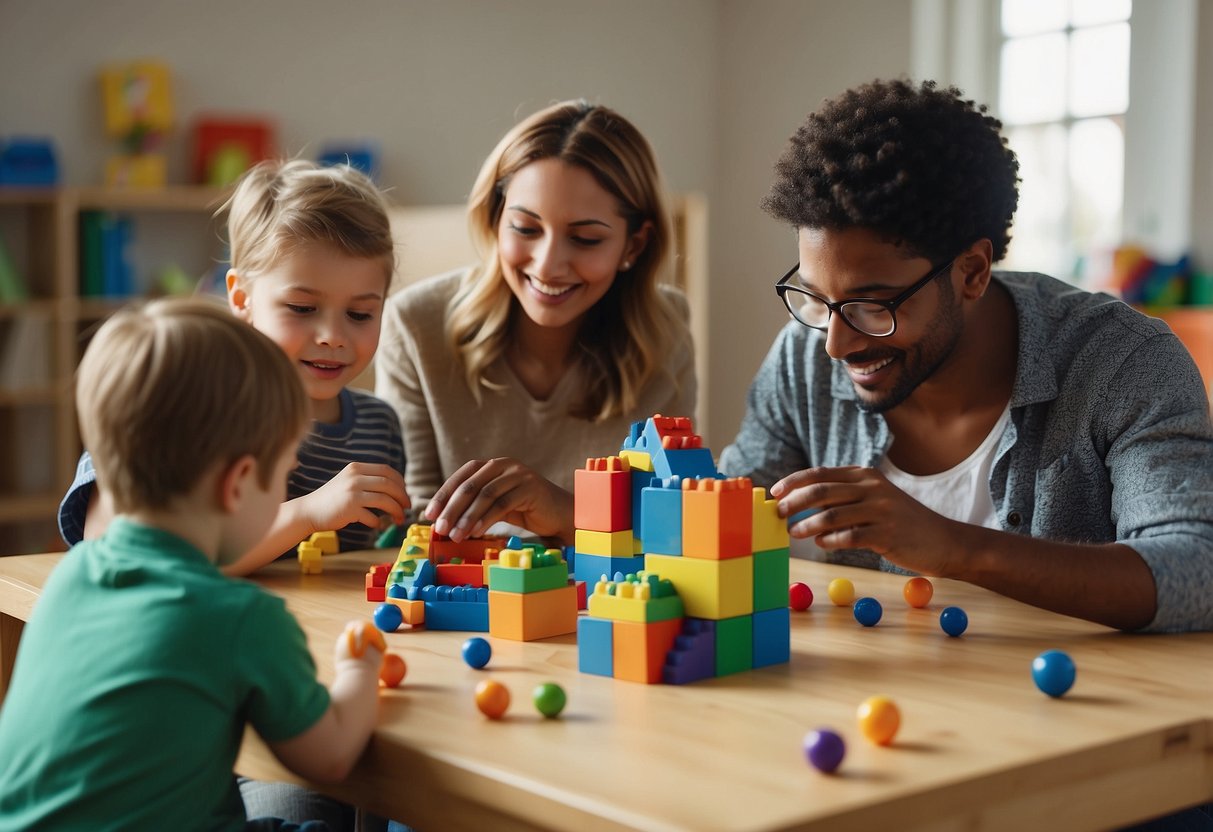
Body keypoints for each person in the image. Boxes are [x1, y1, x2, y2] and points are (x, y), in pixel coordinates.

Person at [717, 78, 1213, 635]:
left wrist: (952, 546)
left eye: (873, 306)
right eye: (817, 298)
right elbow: (726, 515)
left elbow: (1195, 572)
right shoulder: (803, 357)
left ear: (972, 271)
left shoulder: (1121, 362)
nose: (836, 343)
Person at [0, 299, 384, 830]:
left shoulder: (69, 577)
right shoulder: (240, 617)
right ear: (237, 484)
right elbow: (331, 756)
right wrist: (359, 673)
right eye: (283, 476)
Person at [58, 159, 411, 575]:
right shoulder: (174, 406)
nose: (332, 335)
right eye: (302, 307)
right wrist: (306, 514)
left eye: (360, 314)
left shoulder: (379, 427)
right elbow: (117, 550)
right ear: (241, 299)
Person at [376, 100, 695, 546]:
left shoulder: (665, 332)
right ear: (495, 218)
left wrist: (559, 510)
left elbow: (669, 525)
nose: (547, 265)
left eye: (585, 239)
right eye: (525, 228)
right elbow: (413, 527)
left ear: (634, 245)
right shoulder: (415, 325)